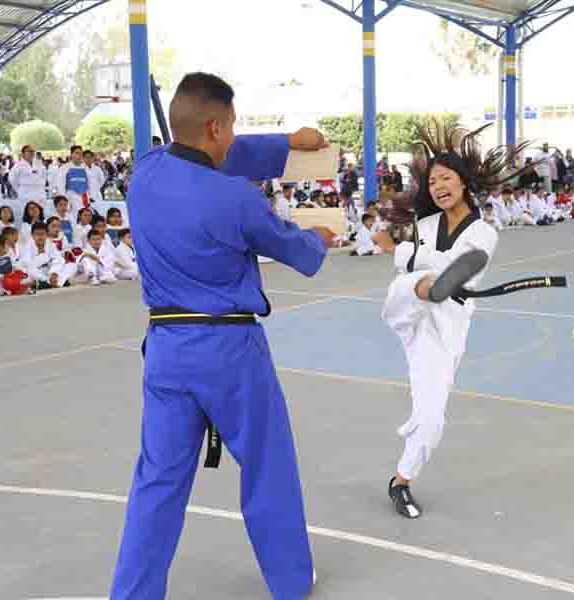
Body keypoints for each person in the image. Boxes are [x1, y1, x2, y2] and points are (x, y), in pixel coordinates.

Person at [109, 72, 335, 600]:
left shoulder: (144, 174)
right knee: (267, 464)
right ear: (214, 126)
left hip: (165, 349)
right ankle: (290, 580)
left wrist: (286, 145)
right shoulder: (236, 199)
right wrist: (318, 235)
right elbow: (299, 254)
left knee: (157, 482)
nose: (234, 139)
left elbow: (201, 158)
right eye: (230, 128)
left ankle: (133, 594)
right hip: (230, 352)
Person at [372, 122, 530, 519]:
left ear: (463, 182)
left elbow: (467, 267)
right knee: (413, 282)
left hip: (445, 326)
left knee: (432, 419)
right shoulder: (423, 227)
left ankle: (401, 480)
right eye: (432, 182)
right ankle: (429, 285)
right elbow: (406, 262)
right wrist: (397, 250)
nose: (437, 186)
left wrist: (434, 274)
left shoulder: (484, 233)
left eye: (445, 178)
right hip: (411, 305)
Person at [8, 145, 47, 220]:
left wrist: (41, 187)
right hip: (25, 194)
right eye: (29, 151)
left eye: (33, 151)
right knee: (26, 216)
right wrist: (19, 190)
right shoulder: (18, 165)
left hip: (39, 193)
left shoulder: (39, 164)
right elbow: (12, 179)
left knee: (41, 215)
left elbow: (44, 177)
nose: (31, 153)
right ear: (23, 154)